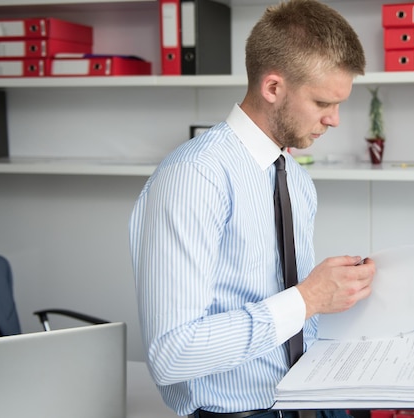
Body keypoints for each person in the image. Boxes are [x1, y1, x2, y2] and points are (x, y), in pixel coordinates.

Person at [129, 0, 375, 417]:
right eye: (321, 103)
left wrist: (341, 300)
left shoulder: (294, 178)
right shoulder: (195, 177)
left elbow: (290, 308)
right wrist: (309, 298)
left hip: (308, 397)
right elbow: (172, 354)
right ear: (273, 87)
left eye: (339, 104)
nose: (334, 120)